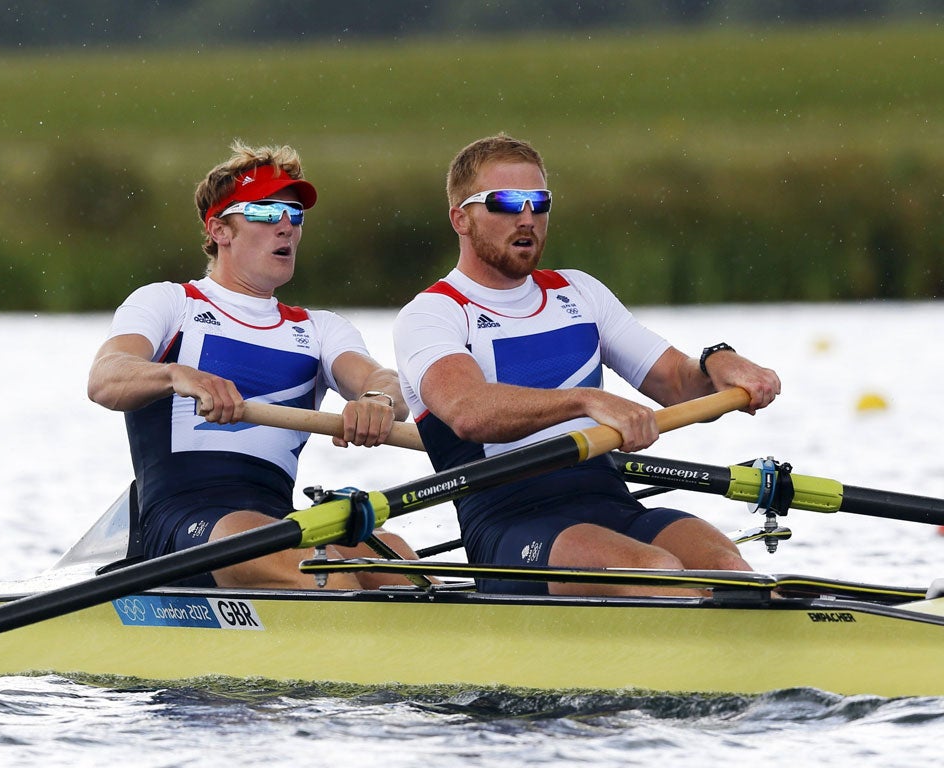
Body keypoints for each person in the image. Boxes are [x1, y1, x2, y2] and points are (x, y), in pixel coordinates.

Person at [393, 133, 781, 596]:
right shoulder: (432, 314)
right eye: (505, 202)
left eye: (539, 202)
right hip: (510, 526)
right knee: (654, 571)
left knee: (734, 575)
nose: (527, 217)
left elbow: (679, 384)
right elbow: (468, 411)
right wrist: (587, 400)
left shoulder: (579, 292)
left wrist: (721, 361)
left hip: (612, 503)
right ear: (461, 218)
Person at [89, 140, 421, 590]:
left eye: (294, 216)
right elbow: (106, 377)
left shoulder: (319, 329)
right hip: (182, 525)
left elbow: (385, 380)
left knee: (398, 561)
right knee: (329, 575)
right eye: (266, 213)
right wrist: (175, 374)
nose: (286, 228)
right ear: (219, 230)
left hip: (279, 523)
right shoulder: (171, 303)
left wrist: (378, 401)